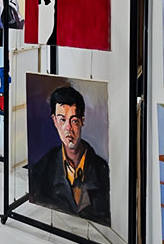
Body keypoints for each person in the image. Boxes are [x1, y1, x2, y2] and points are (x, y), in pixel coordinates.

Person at [30, 86, 110, 226]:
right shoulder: (42, 169)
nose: (68, 128)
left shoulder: (102, 170)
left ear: (82, 121)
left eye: (74, 121)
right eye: (62, 120)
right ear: (54, 121)